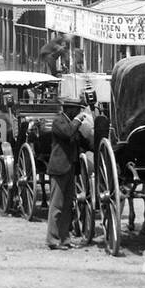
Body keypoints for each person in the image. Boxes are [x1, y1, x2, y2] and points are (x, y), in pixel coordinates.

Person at [46, 99, 94, 250]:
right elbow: (67, 133)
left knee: (67, 207)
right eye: (77, 110)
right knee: (56, 206)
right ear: (69, 110)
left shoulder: (72, 124)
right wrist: (78, 120)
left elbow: (83, 142)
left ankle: (65, 239)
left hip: (70, 169)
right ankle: (52, 240)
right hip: (59, 169)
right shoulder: (59, 122)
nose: (80, 113)